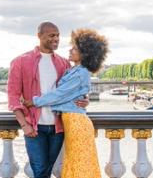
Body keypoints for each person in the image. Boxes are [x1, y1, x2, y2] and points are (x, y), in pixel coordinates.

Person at [23, 28, 108, 178]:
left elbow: (59, 94)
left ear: (84, 53)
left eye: (74, 48)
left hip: (77, 124)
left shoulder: (81, 72)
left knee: (80, 165)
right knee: (75, 164)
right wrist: (85, 96)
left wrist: (34, 101)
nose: (70, 49)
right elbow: (70, 92)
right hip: (71, 123)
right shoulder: (72, 70)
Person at [7, 22, 89, 178]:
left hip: (58, 126)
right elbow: (13, 96)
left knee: (47, 169)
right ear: (39, 36)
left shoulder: (64, 63)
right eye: (52, 35)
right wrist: (24, 125)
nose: (56, 39)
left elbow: (72, 89)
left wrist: (84, 99)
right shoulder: (20, 62)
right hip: (34, 126)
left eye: (58, 35)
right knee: (39, 169)